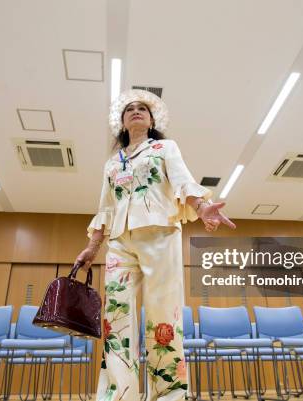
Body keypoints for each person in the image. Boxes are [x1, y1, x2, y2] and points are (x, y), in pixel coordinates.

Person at [76, 89, 235, 401]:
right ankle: (119, 395)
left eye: (143, 109)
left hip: (160, 234)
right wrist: (93, 247)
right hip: (120, 242)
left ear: (151, 120)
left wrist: (202, 209)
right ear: (122, 123)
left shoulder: (164, 147)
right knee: (116, 317)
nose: (136, 111)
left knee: (164, 314)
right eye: (130, 109)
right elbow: (105, 208)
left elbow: (182, 181)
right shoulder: (111, 163)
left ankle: (169, 395)